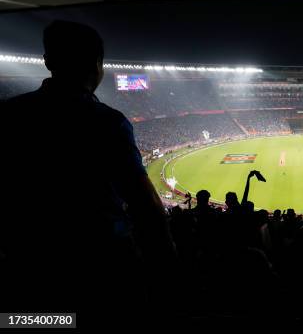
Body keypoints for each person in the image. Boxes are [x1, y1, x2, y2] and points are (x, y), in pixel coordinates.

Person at [0, 20, 175, 320]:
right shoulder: (107, 122)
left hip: (28, 269)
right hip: (104, 268)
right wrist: (168, 265)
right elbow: (144, 205)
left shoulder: (8, 115)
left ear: (47, 61)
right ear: (97, 65)